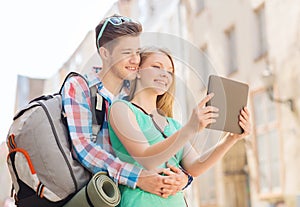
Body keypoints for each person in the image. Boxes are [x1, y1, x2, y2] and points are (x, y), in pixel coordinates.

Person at [61, 14, 190, 199]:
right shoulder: (80, 87)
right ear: (105, 53)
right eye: (126, 53)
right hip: (98, 195)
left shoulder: (136, 93)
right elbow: (84, 148)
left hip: (136, 197)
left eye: (137, 52)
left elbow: (166, 143)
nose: (135, 60)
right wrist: (137, 177)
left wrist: (185, 178)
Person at [108, 47, 251, 206]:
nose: (165, 74)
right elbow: (147, 159)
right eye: (156, 67)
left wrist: (230, 139)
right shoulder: (121, 109)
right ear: (138, 71)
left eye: (170, 71)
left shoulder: (173, 124)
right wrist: (190, 128)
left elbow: (195, 167)